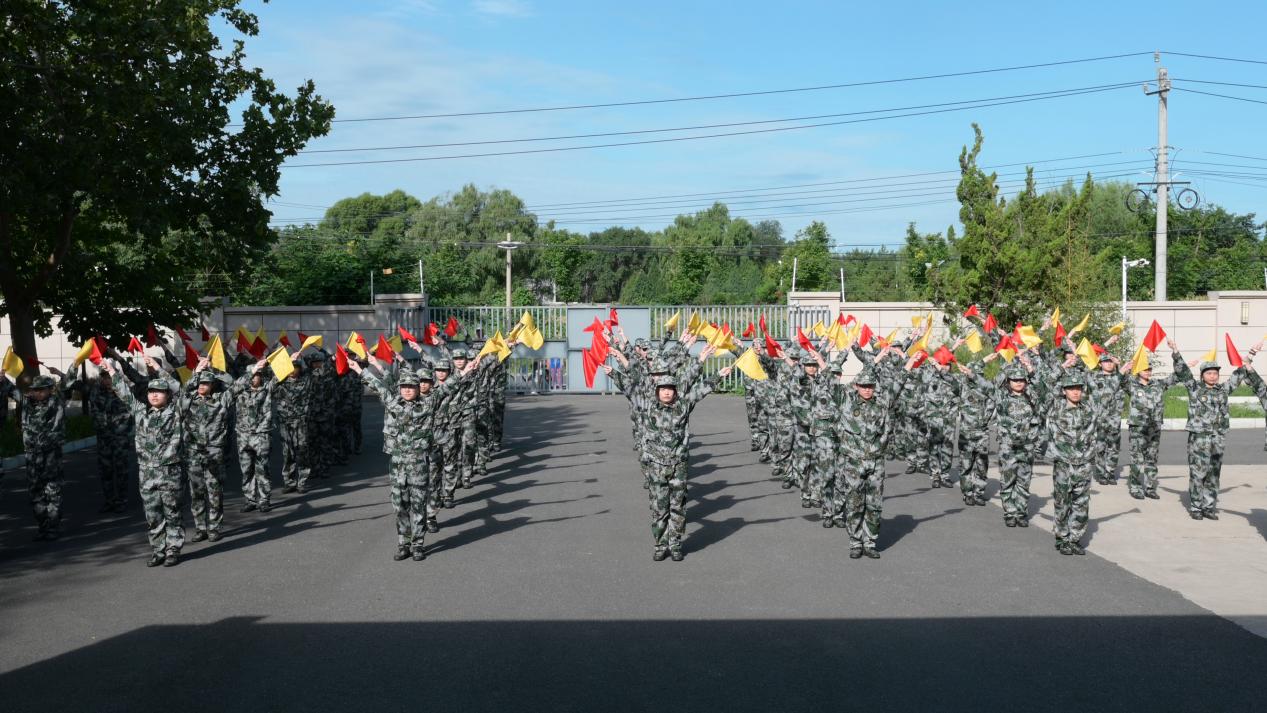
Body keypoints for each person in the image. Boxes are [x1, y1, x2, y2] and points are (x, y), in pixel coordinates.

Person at [606, 344, 728, 561]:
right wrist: (613, 373)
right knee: (659, 507)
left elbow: (699, 390)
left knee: (678, 507)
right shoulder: (647, 405)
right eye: (663, 389)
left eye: (670, 388)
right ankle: (660, 545)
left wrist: (718, 374)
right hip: (656, 466)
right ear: (657, 391)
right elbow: (631, 388)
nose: (667, 392)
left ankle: (676, 543)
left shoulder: (683, 405)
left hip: (678, 465)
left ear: (675, 391)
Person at [103, 358, 187, 567]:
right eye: (151, 392)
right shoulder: (140, 412)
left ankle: (173, 549)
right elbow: (124, 393)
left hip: (170, 471)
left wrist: (158, 369)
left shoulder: (176, 411)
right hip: (147, 473)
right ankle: (158, 550)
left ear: (167, 395)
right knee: (152, 514)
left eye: (159, 392)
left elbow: (181, 391)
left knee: (172, 512)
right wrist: (112, 372)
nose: (154, 395)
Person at [835, 350, 918, 558]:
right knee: (854, 503)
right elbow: (829, 380)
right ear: (856, 386)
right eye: (863, 386)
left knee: (874, 505)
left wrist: (910, 363)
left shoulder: (882, 402)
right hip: (853, 463)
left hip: (875, 463)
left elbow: (898, 383)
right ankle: (855, 542)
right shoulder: (845, 401)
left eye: (870, 386)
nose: (867, 389)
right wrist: (838, 356)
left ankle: (870, 542)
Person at [1172, 345, 1246, 520]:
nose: (1213, 376)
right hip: (1199, 438)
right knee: (1198, 473)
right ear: (1202, 375)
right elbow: (1182, 371)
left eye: (1215, 373)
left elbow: (1239, 374)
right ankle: (1196, 507)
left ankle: (1208, 507)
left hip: (1217, 438)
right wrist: (1175, 352)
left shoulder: (1223, 390)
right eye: (1209, 373)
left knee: (1213, 474)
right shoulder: (1194, 388)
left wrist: (1250, 354)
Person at [9, 367, 77, 539]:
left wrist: (74, 366)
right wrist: (2, 378)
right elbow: (11, 390)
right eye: (35, 390)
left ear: (49, 389)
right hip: (32, 456)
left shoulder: (57, 401)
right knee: (35, 493)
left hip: (51, 455)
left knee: (52, 492)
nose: (38, 393)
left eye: (41, 389)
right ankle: (43, 526)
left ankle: (53, 527)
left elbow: (68, 382)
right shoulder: (26, 403)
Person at [980, 353, 1046, 527]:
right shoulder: (1002, 397)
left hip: (1026, 447)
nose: (1018, 382)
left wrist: (1029, 367)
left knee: (1024, 481)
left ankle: (1021, 512)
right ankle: (1010, 512)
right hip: (1008, 447)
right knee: (1007, 480)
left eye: (1022, 380)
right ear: (1008, 381)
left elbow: (1042, 387)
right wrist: (1008, 363)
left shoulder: (1032, 397)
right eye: (1015, 380)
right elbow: (990, 385)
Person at [1046, 368, 1099, 555]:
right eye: (1071, 388)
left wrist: (1087, 367)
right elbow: (1044, 386)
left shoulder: (1089, 409)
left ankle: (1075, 538)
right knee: (1063, 503)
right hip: (1064, 464)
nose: (1075, 392)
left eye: (1078, 388)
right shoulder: (1055, 407)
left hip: (1084, 463)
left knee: (1081, 504)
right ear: (1063, 390)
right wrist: (1061, 368)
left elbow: (1097, 392)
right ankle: (1062, 538)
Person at [182, 359, 235, 542]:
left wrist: (214, 370)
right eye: (199, 382)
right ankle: (200, 528)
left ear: (212, 385)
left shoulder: (221, 399)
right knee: (196, 492)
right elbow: (182, 390)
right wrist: (196, 372)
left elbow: (234, 385)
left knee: (214, 492)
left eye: (205, 383)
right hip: (193, 454)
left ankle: (214, 527)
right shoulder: (188, 400)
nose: (201, 385)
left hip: (214, 453)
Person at [1124, 339, 1180, 500]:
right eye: (1144, 369)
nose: (1148, 371)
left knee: (1152, 458)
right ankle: (1135, 487)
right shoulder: (1132, 385)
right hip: (1138, 427)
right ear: (1138, 370)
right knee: (1136, 459)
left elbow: (1177, 375)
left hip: (1154, 427)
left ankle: (1150, 487)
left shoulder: (1158, 384)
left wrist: (1175, 352)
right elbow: (1119, 380)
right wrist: (1125, 368)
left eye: (1149, 369)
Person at [77, 361, 134, 513]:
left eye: (109, 377)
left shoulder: (124, 393)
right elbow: (76, 385)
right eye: (104, 377)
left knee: (121, 471)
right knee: (105, 471)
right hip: (104, 439)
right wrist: (62, 373)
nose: (107, 380)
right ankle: (110, 500)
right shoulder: (96, 392)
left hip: (120, 439)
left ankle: (121, 500)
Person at [231, 358, 275, 513]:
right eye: (253, 374)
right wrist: (251, 371)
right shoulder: (240, 390)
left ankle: (264, 500)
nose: (255, 377)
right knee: (246, 470)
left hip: (261, 435)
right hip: (243, 436)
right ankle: (250, 500)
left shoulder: (268, 388)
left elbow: (281, 376)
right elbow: (233, 386)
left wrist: (287, 360)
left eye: (257, 375)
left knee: (262, 468)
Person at [274, 352, 314, 494]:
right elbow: (271, 377)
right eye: (290, 367)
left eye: (295, 367)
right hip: (285, 423)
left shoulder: (305, 380)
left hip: (301, 422)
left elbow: (311, 367)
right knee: (287, 453)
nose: (292, 370)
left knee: (302, 451)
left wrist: (300, 356)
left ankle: (302, 482)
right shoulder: (280, 382)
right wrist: (285, 363)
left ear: (299, 368)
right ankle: (289, 482)